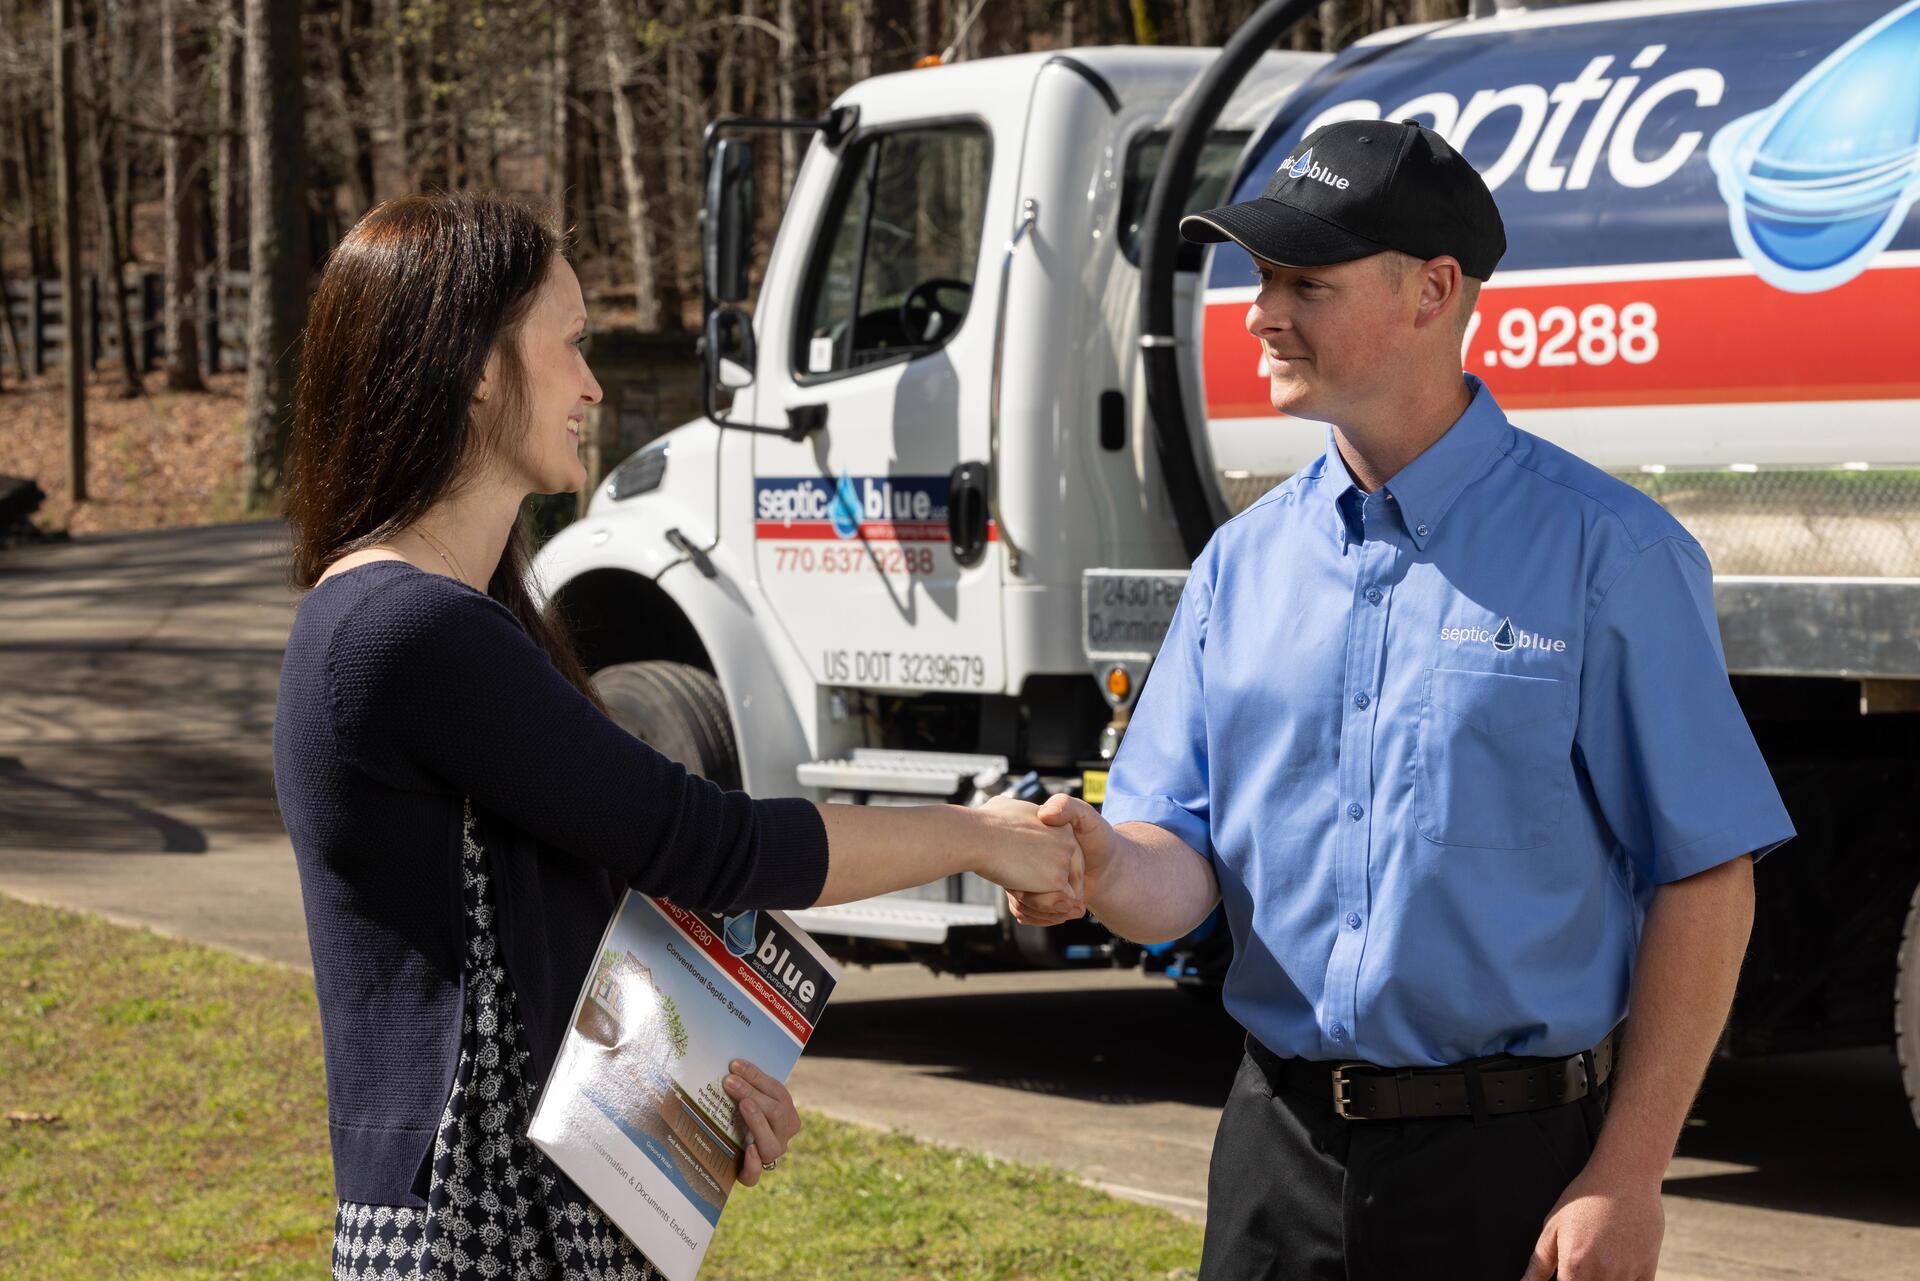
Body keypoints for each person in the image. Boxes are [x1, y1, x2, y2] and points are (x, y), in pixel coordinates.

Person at [1011, 119, 1794, 1281]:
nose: (1262, 314)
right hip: (1273, 1160)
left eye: (1305, 284)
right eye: (1262, 279)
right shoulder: (1240, 565)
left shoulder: (1610, 555)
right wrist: (1097, 865)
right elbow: (1176, 861)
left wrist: (1629, 1174)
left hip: (1512, 1177)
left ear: (1433, 289)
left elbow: (1706, 875)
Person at [273, 192, 1082, 1281]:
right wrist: (979, 837)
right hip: (479, 1230)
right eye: (570, 344)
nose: (593, 386)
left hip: (521, 1212)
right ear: (474, 366)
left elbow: (527, 937)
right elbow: (706, 844)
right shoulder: (406, 629)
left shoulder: (430, 621)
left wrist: (690, 1091)